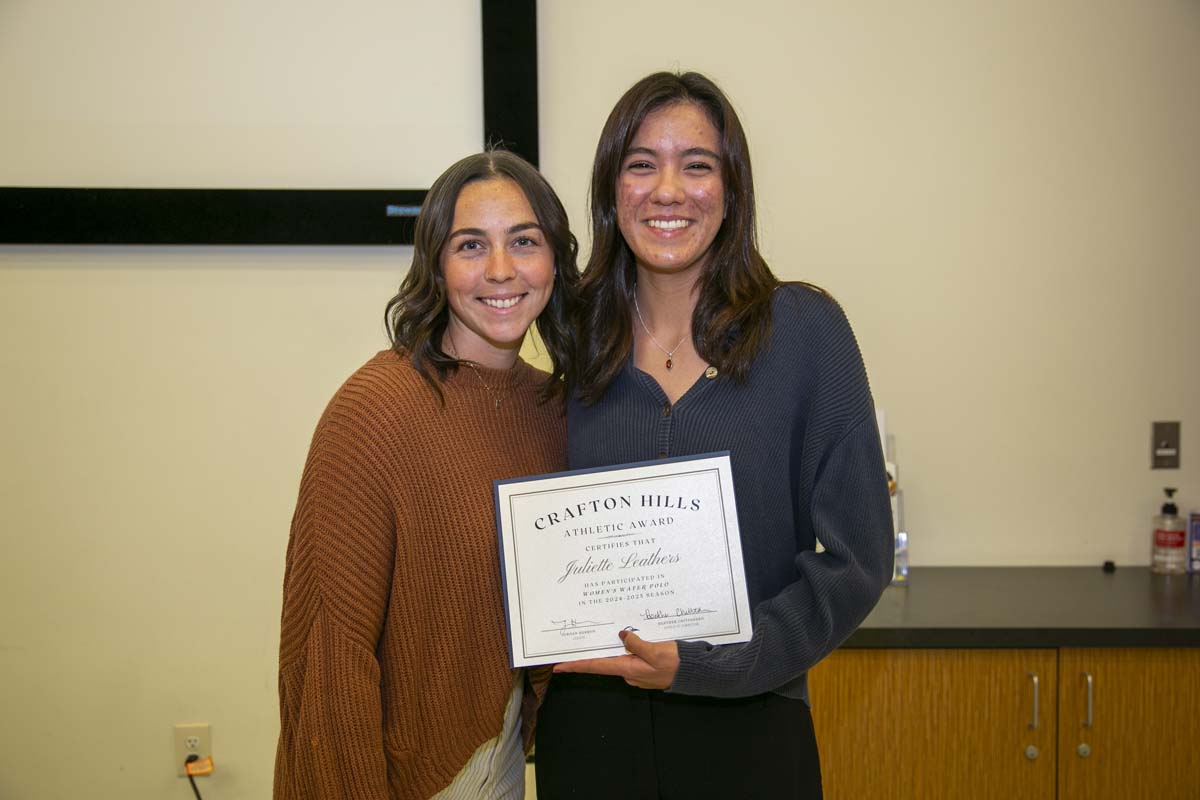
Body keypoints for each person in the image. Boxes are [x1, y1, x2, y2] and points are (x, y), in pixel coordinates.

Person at [534, 72, 893, 798]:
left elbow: (858, 560)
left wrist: (719, 664)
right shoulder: (569, 332)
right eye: (642, 164)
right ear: (611, 189)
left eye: (697, 165)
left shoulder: (805, 333)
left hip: (752, 727)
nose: (668, 190)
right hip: (590, 735)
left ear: (732, 190)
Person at [274, 149, 579, 800]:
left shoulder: (555, 411)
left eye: (524, 241)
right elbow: (334, 652)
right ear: (436, 265)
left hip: (501, 759)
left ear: (554, 258)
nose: (501, 270)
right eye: (471, 245)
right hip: (401, 781)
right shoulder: (374, 412)